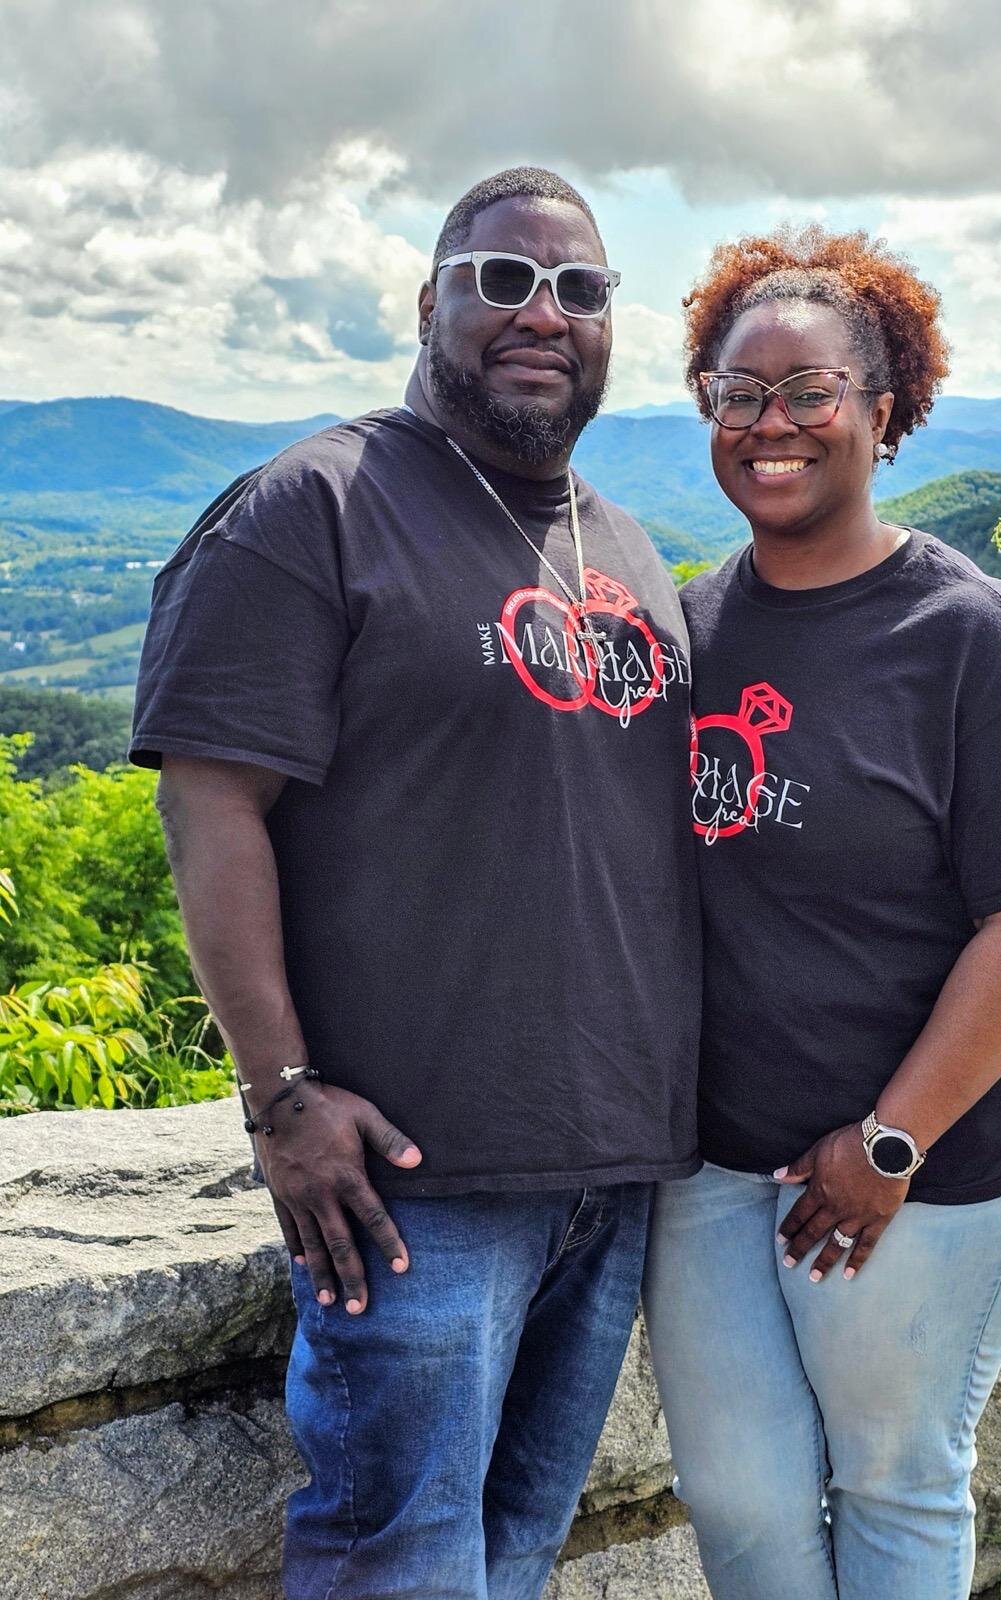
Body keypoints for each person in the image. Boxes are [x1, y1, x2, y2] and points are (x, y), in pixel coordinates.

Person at [128, 167, 701, 1599]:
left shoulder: (622, 540)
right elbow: (211, 806)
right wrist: (279, 1095)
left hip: (613, 1161)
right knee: (400, 1564)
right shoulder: (310, 508)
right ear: (429, 301)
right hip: (410, 1178)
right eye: (500, 279)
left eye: (578, 288)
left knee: (514, 1555)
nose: (541, 314)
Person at [642, 226, 1001, 1600]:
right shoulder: (689, 627)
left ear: (886, 407)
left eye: (813, 390)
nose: (772, 423)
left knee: (895, 1480)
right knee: (737, 1495)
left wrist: (891, 1141)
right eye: (740, 391)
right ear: (708, 409)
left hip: (933, 1164)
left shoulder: (969, 635)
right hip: (724, 1158)